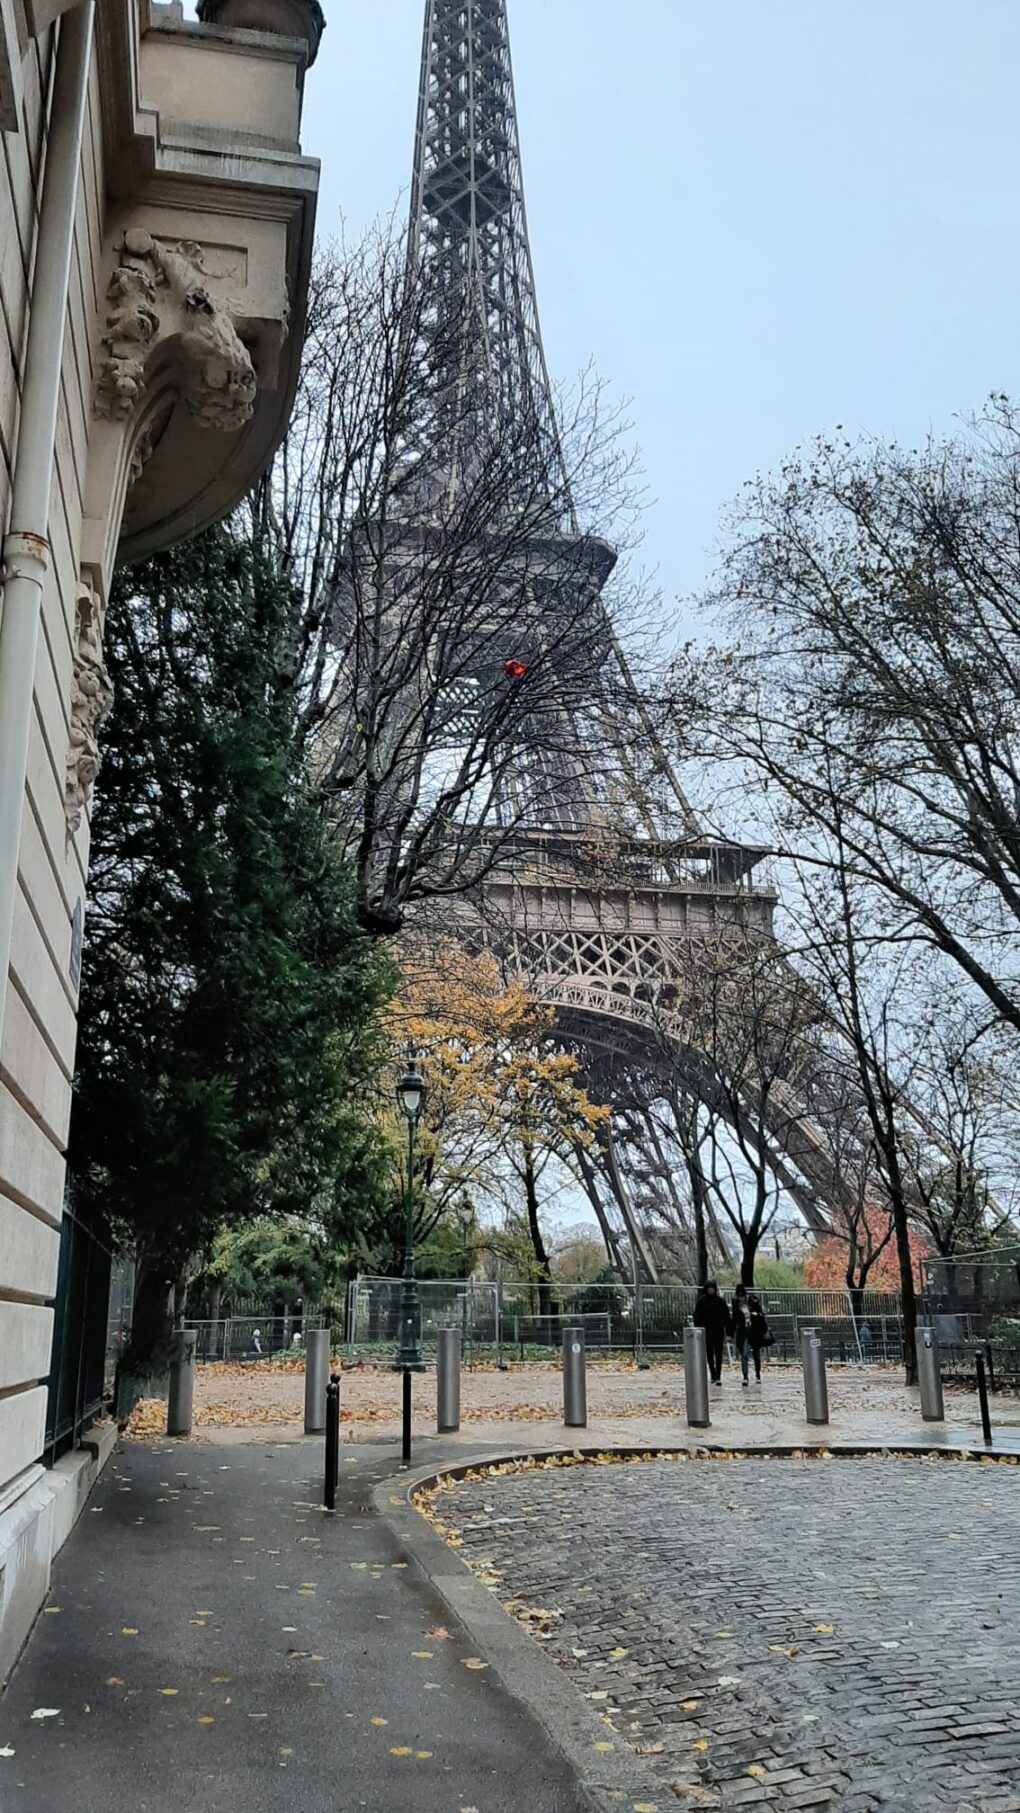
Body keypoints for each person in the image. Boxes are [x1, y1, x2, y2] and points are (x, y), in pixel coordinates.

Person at [731, 1286, 771, 1386]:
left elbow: (761, 1316)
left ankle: (758, 1374)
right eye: (739, 1296)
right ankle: (745, 1376)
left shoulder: (753, 1303)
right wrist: (730, 1334)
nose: (741, 1299)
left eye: (742, 1296)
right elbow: (734, 1321)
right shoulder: (736, 1306)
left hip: (754, 1331)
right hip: (743, 1332)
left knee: (756, 1354)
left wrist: (757, 1316)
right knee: (744, 1354)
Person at [693, 1279, 730, 1384]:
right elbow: (697, 1317)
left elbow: (726, 1317)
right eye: (709, 1288)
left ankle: (718, 1375)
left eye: (712, 1288)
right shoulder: (701, 1302)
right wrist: (698, 1329)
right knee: (709, 1354)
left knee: (718, 1354)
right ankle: (713, 1373)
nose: (710, 1290)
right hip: (706, 1332)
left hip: (718, 1331)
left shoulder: (721, 1302)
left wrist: (728, 1332)